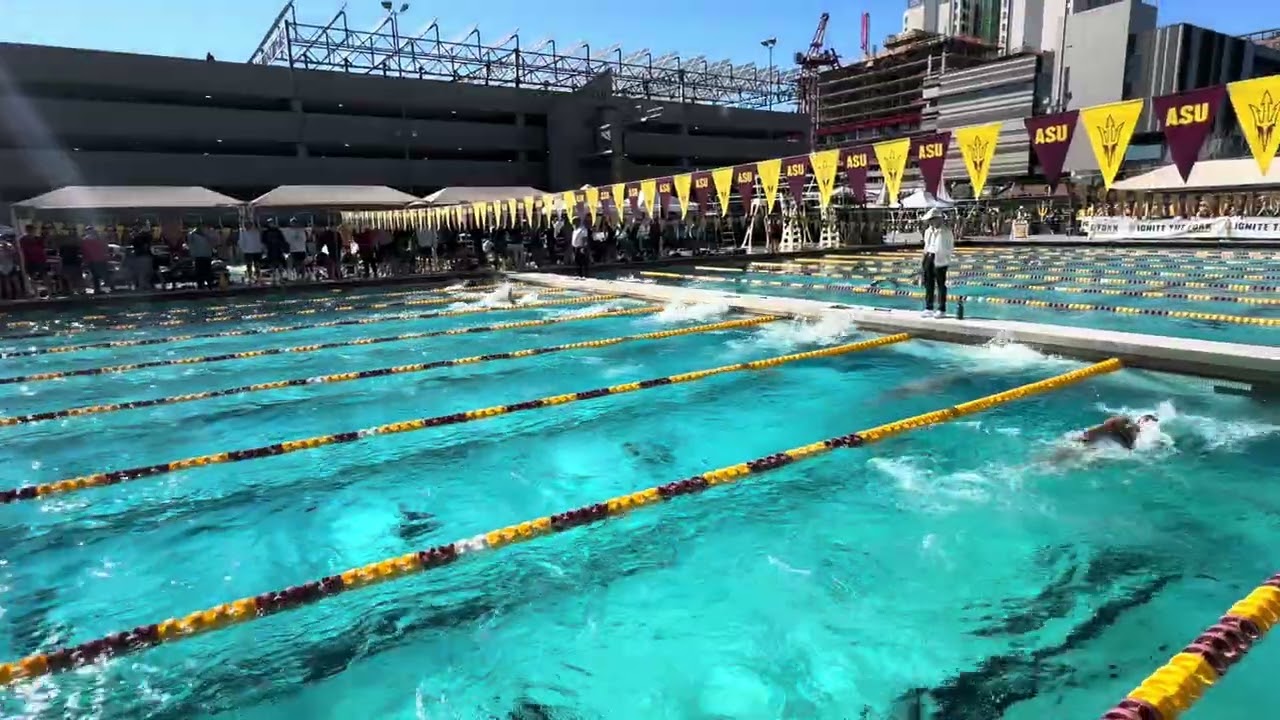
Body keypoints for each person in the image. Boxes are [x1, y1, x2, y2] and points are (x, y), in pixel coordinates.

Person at [920, 207, 954, 318]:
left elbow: (949, 247)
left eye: (932, 220)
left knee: (940, 285)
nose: (931, 222)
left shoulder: (946, 232)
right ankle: (928, 307)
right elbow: (926, 246)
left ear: (939, 219)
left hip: (941, 259)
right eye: (929, 220)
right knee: (928, 284)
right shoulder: (928, 231)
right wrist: (923, 261)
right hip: (929, 257)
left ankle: (941, 309)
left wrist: (945, 259)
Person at [1078, 414, 1159, 451]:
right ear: (1142, 421)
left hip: (1088, 441)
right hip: (1088, 442)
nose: (1149, 428)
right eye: (1150, 425)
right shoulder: (1128, 423)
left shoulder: (1127, 423)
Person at [82, 227, 111, 294]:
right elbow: (105, 247)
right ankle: (111, 287)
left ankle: (97, 289)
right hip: (100, 259)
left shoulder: (85, 240)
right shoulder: (99, 239)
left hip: (92, 260)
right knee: (104, 274)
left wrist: (85, 260)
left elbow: (84, 251)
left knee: (95, 275)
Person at [187, 225, 215, 289]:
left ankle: (207, 284)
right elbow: (189, 239)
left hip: (205, 255)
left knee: (205, 271)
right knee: (202, 271)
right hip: (201, 255)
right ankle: (203, 284)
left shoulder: (206, 235)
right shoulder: (194, 235)